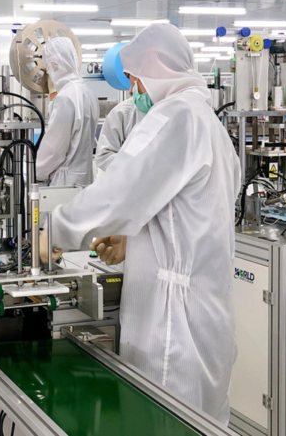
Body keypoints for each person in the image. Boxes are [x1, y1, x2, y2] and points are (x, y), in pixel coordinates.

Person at [42, 23, 241, 424]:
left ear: (154, 69)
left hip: (172, 323)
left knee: (164, 422)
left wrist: (55, 232)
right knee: (201, 423)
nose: (134, 91)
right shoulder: (207, 121)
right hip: (205, 312)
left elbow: (118, 189)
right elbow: (187, 214)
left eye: (135, 79)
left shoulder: (176, 116)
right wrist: (131, 240)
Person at [36, 36, 99, 185]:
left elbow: (54, 149)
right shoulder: (87, 92)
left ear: (54, 65)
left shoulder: (65, 97)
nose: (48, 72)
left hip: (65, 181)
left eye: (48, 67)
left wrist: (36, 172)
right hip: (84, 177)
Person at [95, 97, 142, 172]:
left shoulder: (162, 111)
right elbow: (104, 156)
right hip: (128, 176)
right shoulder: (122, 112)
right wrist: (136, 166)